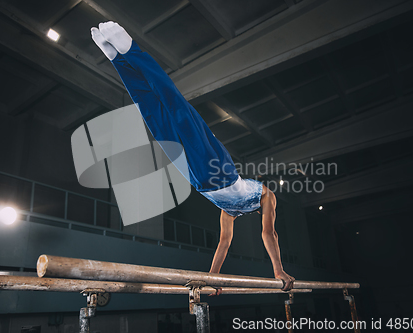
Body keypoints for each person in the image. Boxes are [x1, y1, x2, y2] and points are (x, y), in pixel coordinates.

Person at [91, 21, 295, 292]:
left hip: (194, 177)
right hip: (219, 168)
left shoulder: (229, 211)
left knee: (154, 116)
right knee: (177, 109)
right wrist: (278, 269)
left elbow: (224, 244)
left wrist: (212, 277)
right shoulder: (267, 195)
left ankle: (117, 59)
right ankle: (130, 49)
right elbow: (269, 233)